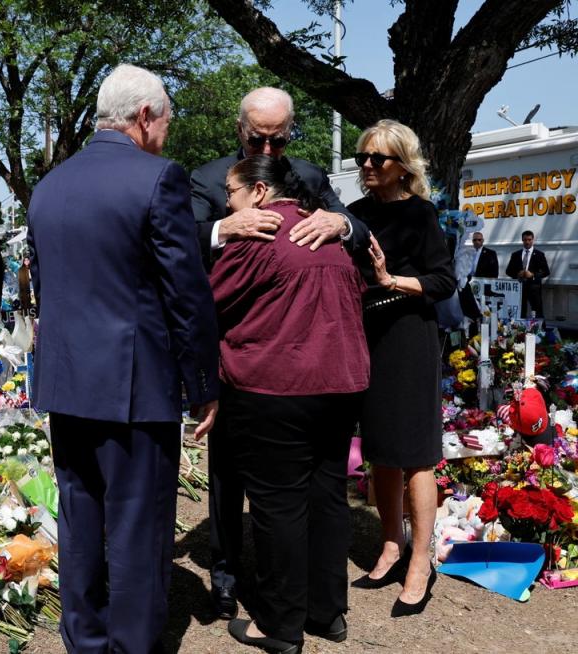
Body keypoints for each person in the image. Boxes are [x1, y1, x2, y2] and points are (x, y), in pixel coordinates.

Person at [27, 63, 220, 654]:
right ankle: (133, 645)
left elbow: (47, 287)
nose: (167, 133)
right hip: (135, 388)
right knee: (137, 527)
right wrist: (204, 383)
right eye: (165, 121)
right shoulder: (159, 178)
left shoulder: (48, 185)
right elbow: (185, 294)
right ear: (143, 118)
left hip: (66, 384)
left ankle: (84, 640)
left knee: (80, 521)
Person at [190, 86, 371, 619]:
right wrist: (225, 226)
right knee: (226, 472)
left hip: (297, 357)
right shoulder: (207, 178)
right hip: (235, 344)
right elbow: (177, 238)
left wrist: (343, 223)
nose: (267, 148)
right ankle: (226, 573)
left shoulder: (310, 177)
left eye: (278, 137)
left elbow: (357, 230)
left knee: (299, 490)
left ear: (291, 131)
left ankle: (298, 592)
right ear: (238, 128)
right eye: (256, 137)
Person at [348, 119, 456, 617]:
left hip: (410, 338)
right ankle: (390, 545)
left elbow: (442, 281)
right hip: (367, 339)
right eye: (362, 157)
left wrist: (392, 279)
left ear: (401, 166)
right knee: (380, 450)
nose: (368, 165)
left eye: (379, 159)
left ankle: (420, 560)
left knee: (414, 453)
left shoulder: (421, 214)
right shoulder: (352, 216)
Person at [506, 230, 550, 318]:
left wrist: (533, 275)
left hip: (534, 289)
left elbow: (546, 271)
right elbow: (508, 271)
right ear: (522, 240)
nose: (527, 242)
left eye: (529, 240)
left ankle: (540, 330)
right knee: (520, 312)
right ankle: (519, 330)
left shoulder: (539, 254)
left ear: (533, 240)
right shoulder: (515, 255)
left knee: (537, 312)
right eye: (525, 240)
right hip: (519, 289)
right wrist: (518, 274)